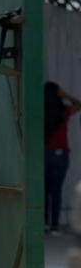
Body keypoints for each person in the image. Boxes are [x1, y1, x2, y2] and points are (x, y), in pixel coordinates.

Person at [44, 82, 79, 234]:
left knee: (43, 190)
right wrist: (65, 95)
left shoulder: (41, 112)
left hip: (44, 154)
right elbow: (78, 104)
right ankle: (54, 225)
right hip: (60, 155)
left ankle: (44, 222)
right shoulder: (63, 111)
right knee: (56, 191)